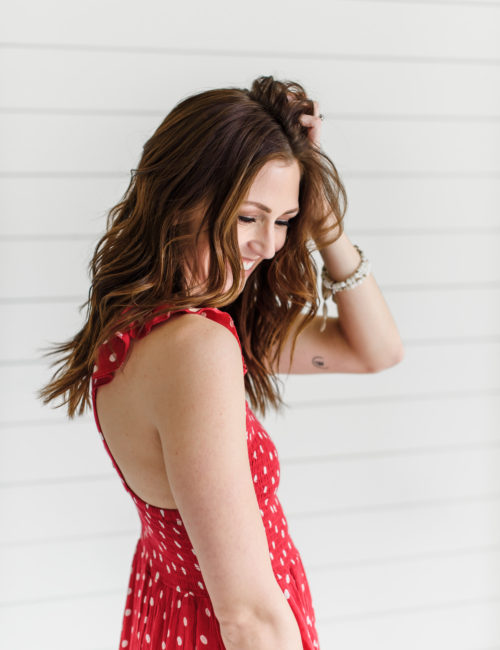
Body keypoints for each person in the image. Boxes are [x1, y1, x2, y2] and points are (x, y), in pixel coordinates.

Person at [38, 75, 404, 649]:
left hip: (173, 618)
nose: (271, 245)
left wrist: (324, 220)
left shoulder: (145, 326)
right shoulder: (198, 347)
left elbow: (374, 350)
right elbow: (248, 615)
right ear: (182, 199)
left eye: (286, 220)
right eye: (248, 217)